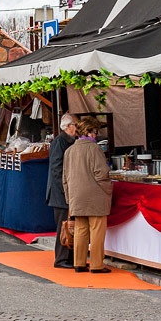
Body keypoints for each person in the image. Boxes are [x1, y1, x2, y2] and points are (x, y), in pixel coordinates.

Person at [63, 116, 113, 274]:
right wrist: (108, 189)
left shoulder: (69, 150)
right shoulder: (94, 149)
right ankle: (97, 265)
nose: (97, 135)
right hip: (95, 195)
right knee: (97, 230)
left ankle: (79, 263)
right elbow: (101, 173)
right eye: (95, 132)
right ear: (90, 132)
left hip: (76, 196)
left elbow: (64, 178)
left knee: (80, 230)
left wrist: (69, 198)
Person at [47, 113, 79, 269]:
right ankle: (61, 259)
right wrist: (66, 190)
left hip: (65, 191)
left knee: (70, 224)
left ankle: (69, 258)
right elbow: (56, 169)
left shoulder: (69, 141)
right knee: (63, 225)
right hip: (61, 193)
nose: (77, 128)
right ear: (68, 126)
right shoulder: (60, 142)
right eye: (76, 125)